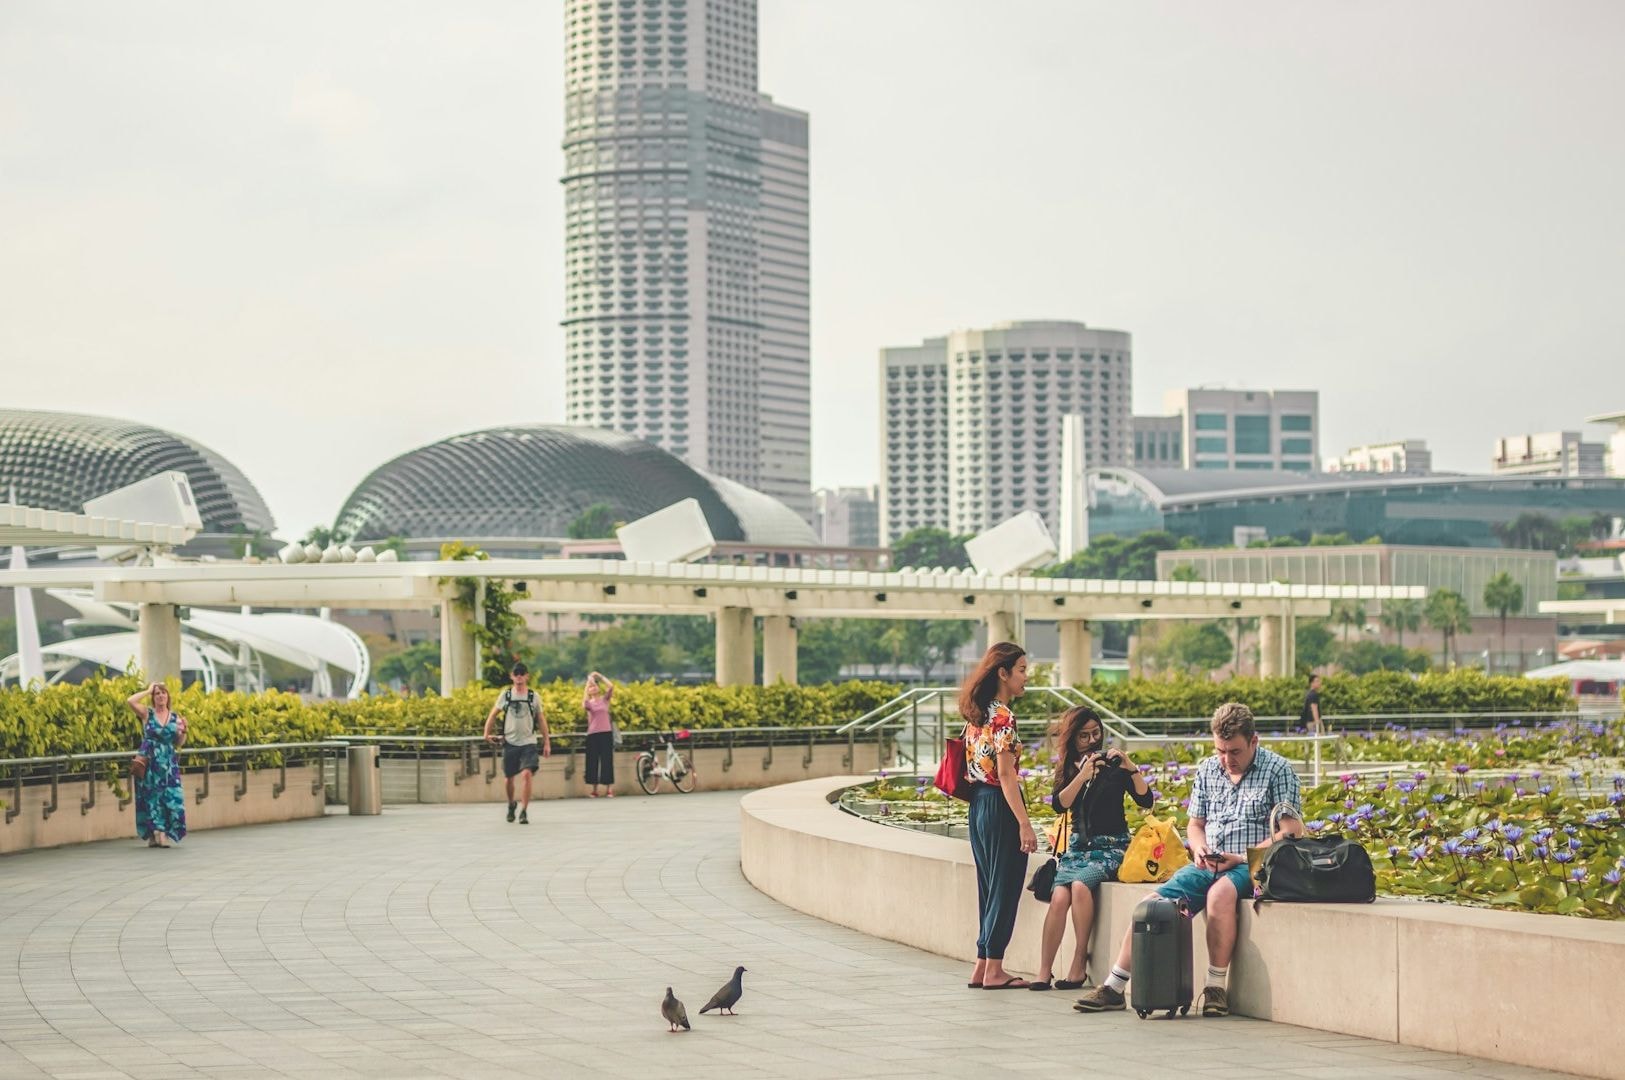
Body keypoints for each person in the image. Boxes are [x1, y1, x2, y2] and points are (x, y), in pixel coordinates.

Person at [1073, 702, 1302, 1018]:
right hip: (1209, 861)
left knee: (1219, 895)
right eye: (1221, 750)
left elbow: (1290, 829)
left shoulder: (1278, 769)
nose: (1226, 760)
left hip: (1253, 863)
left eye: (1234, 751)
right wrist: (1200, 850)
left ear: (1254, 741)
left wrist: (1239, 858)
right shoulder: (1209, 769)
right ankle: (1114, 987)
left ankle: (1215, 988)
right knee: (1150, 906)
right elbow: (1195, 825)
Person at [1030, 706, 1152, 992]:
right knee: (1060, 897)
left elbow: (1146, 801)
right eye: (1084, 736)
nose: (1092, 740)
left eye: (1096, 733)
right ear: (1072, 739)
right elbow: (1059, 804)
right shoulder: (1069, 767)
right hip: (1078, 848)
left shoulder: (1114, 765)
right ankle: (1043, 970)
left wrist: (1130, 768)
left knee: (1081, 887)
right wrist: (1082, 775)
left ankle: (1078, 963)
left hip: (1111, 847)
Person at [959, 641, 1038, 991]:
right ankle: (994, 969)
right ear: (1003, 673)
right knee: (1005, 887)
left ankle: (982, 964)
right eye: (1021, 670)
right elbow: (1007, 775)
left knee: (988, 887)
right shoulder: (1003, 717)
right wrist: (1024, 822)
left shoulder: (976, 715)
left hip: (978, 806)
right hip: (1000, 803)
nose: (1026, 677)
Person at [483, 662, 551, 824]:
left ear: (527, 676)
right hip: (510, 742)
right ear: (511, 676)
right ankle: (511, 804)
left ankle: (524, 811)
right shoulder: (506, 695)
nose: (519, 676)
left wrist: (547, 742)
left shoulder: (533, 696)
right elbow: (493, 715)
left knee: (527, 774)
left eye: (522, 673)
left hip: (528, 742)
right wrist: (486, 734)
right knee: (508, 778)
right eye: (516, 673)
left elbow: (541, 719)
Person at [126, 682, 187, 848]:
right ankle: (156, 833)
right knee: (151, 796)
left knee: (172, 796)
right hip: (149, 760)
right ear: (153, 697)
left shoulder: (175, 717)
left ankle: (164, 832)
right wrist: (147, 690)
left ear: (168, 696)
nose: (161, 696)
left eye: (163, 693)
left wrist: (184, 731)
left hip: (168, 762)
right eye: (157, 693)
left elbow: (179, 742)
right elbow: (130, 701)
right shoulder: (148, 713)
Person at [582, 671, 616, 797]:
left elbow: (611, 686)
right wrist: (587, 683)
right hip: (593, 734)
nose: (593, 687)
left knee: (607, 760)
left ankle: (609, 789)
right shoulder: (589, 703)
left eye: (595, 685)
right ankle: (594, 789)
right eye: (591, 687)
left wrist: (599, 676)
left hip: (606, 733)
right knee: (592, 761)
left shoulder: (604, 700)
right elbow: (584, 702)